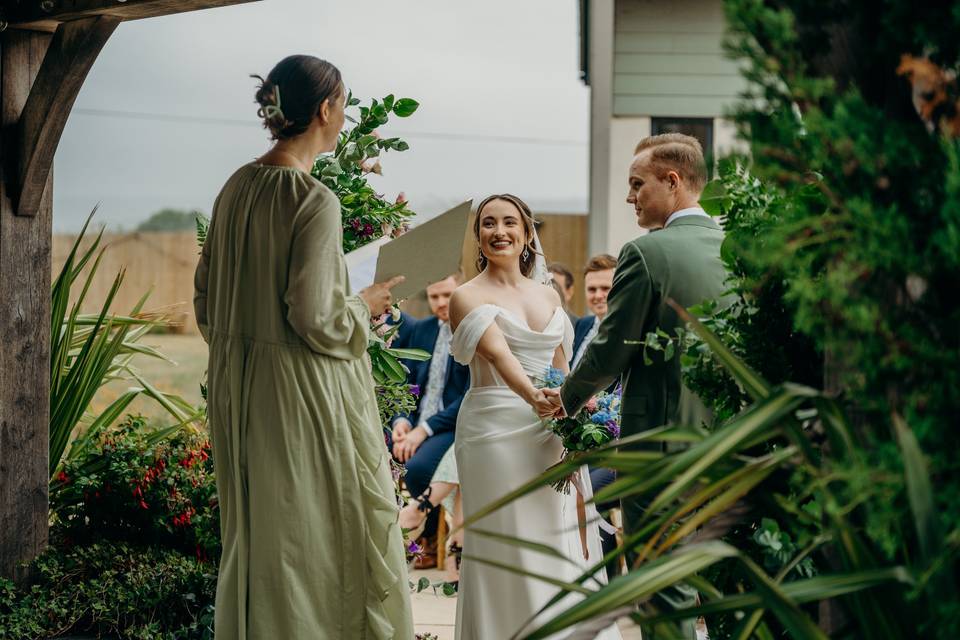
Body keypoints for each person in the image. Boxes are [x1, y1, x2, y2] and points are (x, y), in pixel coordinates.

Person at [194, 55, 413, 639]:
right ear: (324, 109)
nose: (344, 115)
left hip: (240, 387)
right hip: (301, 397)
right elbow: (316, 317)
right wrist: (363, 304)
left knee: (260, 534)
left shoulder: (236, 186)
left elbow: (206, 302)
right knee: (314, 538)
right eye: (343, 103)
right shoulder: (313, 199)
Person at [545, 133, 729, 637]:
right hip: (732, 443)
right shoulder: (735, 250)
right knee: (721, 584)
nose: (630, 198)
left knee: (659, 585)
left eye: (636, 184)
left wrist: (566, 398)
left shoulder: (647, 253)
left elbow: (610, 350)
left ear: (672, 182)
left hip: (661, 446)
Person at [448, 194, 621, 640]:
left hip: (552, 429)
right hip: (493, 430)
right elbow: (500, 355)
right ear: (478, 236)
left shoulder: (549, 294)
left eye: (509, 222)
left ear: (527, 234)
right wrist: (543, 401)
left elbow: (563, 367)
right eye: (488, 223)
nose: (498, 231)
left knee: (554, 534)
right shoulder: (466, 296)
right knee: (506, 538)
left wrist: (576, 419)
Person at [389, 274, 470, 568]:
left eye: (447, 295)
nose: (441, 303)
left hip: (451, 424)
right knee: (380, 453)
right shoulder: (421, 330)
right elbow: (403, 381)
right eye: (434, 297)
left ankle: (429, 536)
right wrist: (401, 421)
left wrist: (424, 430)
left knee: (417, 467)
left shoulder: (470, 331)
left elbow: (469, 395)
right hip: (415, 421)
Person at [570, 253, 620, 563]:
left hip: (619, 447)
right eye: (592, 289)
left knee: (587, 494)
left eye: (606, 288)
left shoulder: (628, 333)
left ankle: (605, 587)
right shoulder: (580, 328)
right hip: (578, 442)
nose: (599, 296)